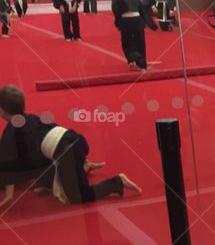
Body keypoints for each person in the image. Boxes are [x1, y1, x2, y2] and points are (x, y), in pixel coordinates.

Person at [0, 85, 141, 208]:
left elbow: (9, 166)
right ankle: (81, 167)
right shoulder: (31, 117)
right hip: (73, 140)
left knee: (76, 197)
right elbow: (55, 130)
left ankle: (117, 182)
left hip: (66, 151)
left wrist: (9, 195)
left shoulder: (10, 133)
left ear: (2, 111)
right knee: (42, 163)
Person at [112, 0, 157, 71]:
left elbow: (117, 12)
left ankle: (133, 60)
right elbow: (142, 10)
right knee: (140, 42)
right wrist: (149, 23)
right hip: (137, 20)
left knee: (126, 43)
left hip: (126, 21)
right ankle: (142, 64)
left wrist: (117, 23)